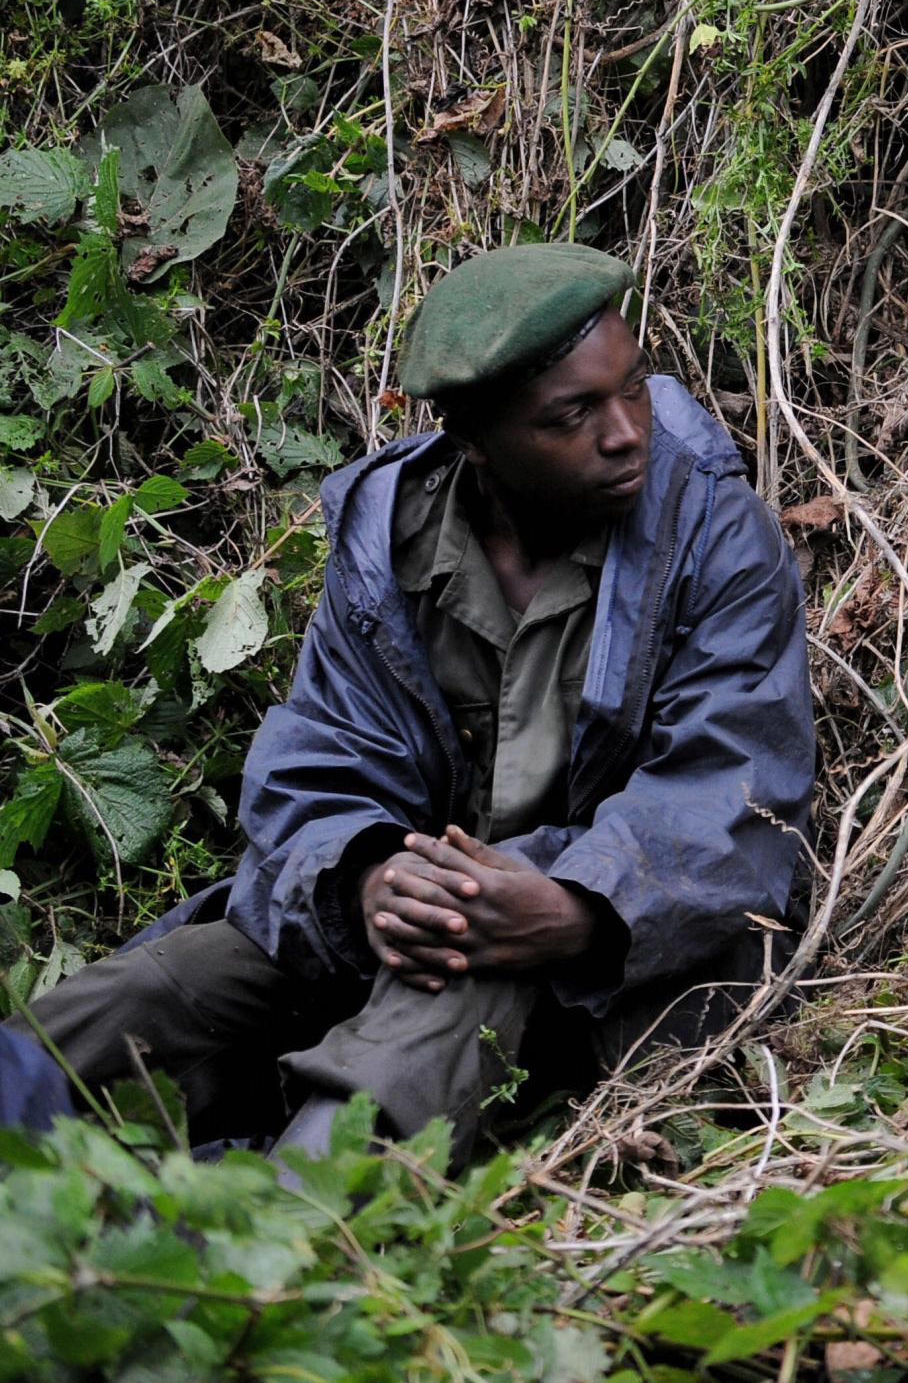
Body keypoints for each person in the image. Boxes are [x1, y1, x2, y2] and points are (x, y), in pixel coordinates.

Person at [5, 243, 814, 1164]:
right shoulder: (391, 541)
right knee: (158, 990)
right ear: (474, 442)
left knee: (450, 996)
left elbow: (736, 784)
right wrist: (369, 878)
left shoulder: (711, 531)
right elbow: (322, 755)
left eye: (633, 387)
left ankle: (279, 1251)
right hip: (406, 928)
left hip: (618, 955)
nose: (628, 430)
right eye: (573, 414)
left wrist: (576, 907)